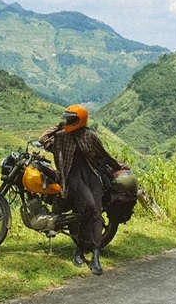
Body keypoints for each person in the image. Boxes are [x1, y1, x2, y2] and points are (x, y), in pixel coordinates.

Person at [39, 104, 124, 276]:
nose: (68, 121)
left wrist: (118, 167)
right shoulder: (62, 136)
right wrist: (59, 126)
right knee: (90, 206)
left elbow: (104, 155)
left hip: (92, 175)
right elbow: (44, 139)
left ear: (81, 120)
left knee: (96, 212)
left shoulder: (90, 135)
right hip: (72, 176)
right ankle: (81, 249)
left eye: (72, 118)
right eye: (67, 118)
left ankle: (94, 255)